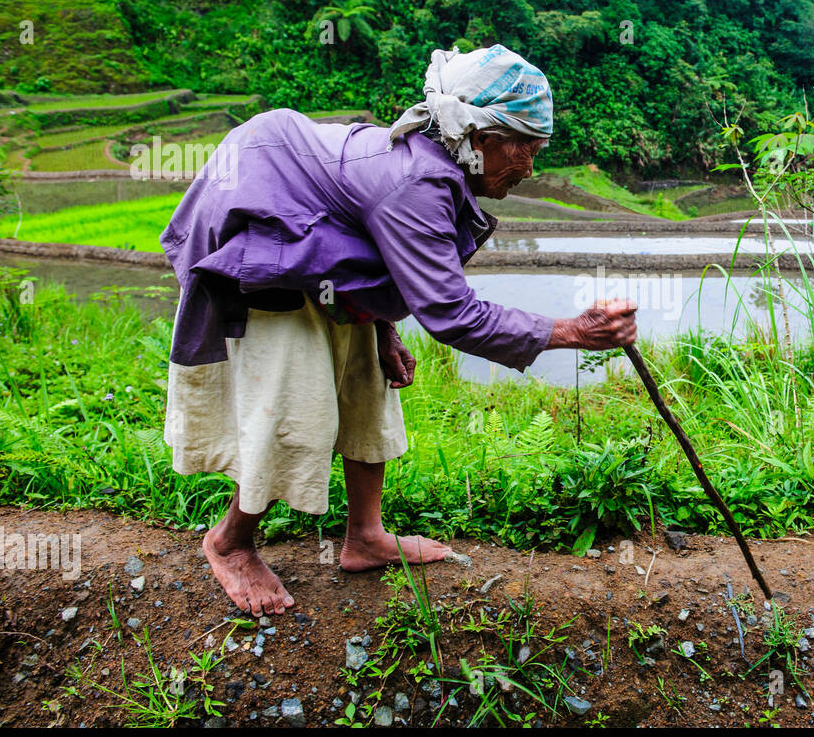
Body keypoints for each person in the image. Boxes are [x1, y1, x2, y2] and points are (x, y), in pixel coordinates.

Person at [161, 45, 637, 616]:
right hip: (269, 225)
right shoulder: (418, 180)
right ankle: (230, 542)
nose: (530, 166)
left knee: (370, 383)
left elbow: (374, 248)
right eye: (524, 146)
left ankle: (365, 536)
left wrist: (381, 325)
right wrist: (575, 332)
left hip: (315, 233)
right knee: (294, 400)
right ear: (479, 137)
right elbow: (453, 313)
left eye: (539, 149)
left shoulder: (439, 168)